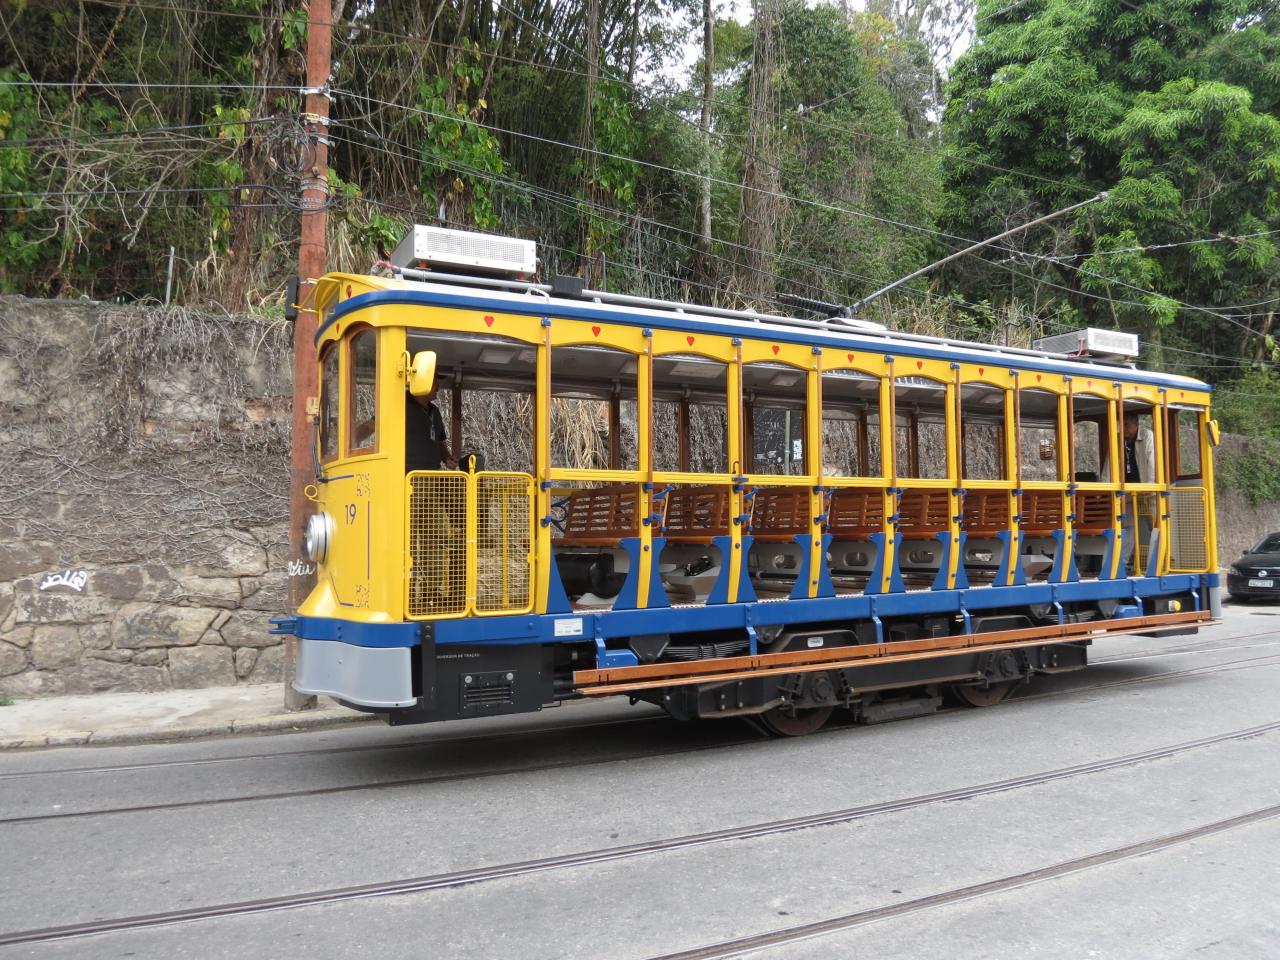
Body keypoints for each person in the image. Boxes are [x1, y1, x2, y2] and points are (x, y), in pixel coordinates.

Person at [1101, 413, 1157, 572]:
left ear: (1137, 424)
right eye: (1122, 425)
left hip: (1146, 489)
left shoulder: (1147, 436)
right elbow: (1110, 463)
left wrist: (1151, 485)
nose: (1124, 429)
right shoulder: (1118, 439)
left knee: (1154, 523)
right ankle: (1123, 563)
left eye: (1127, 425)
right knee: (1129, 525)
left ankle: (1157, 562)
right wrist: (1106, 486)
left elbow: (1152, 460)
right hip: (1127, 490)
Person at [405, 385, 458, 472]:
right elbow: (376, 424)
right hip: (409, 475)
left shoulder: (435, 411)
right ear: (421, 382)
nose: (438, 389)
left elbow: (440, 441)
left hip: (434, 472)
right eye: (434, 384)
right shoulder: (399, 405)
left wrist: (447, 458)